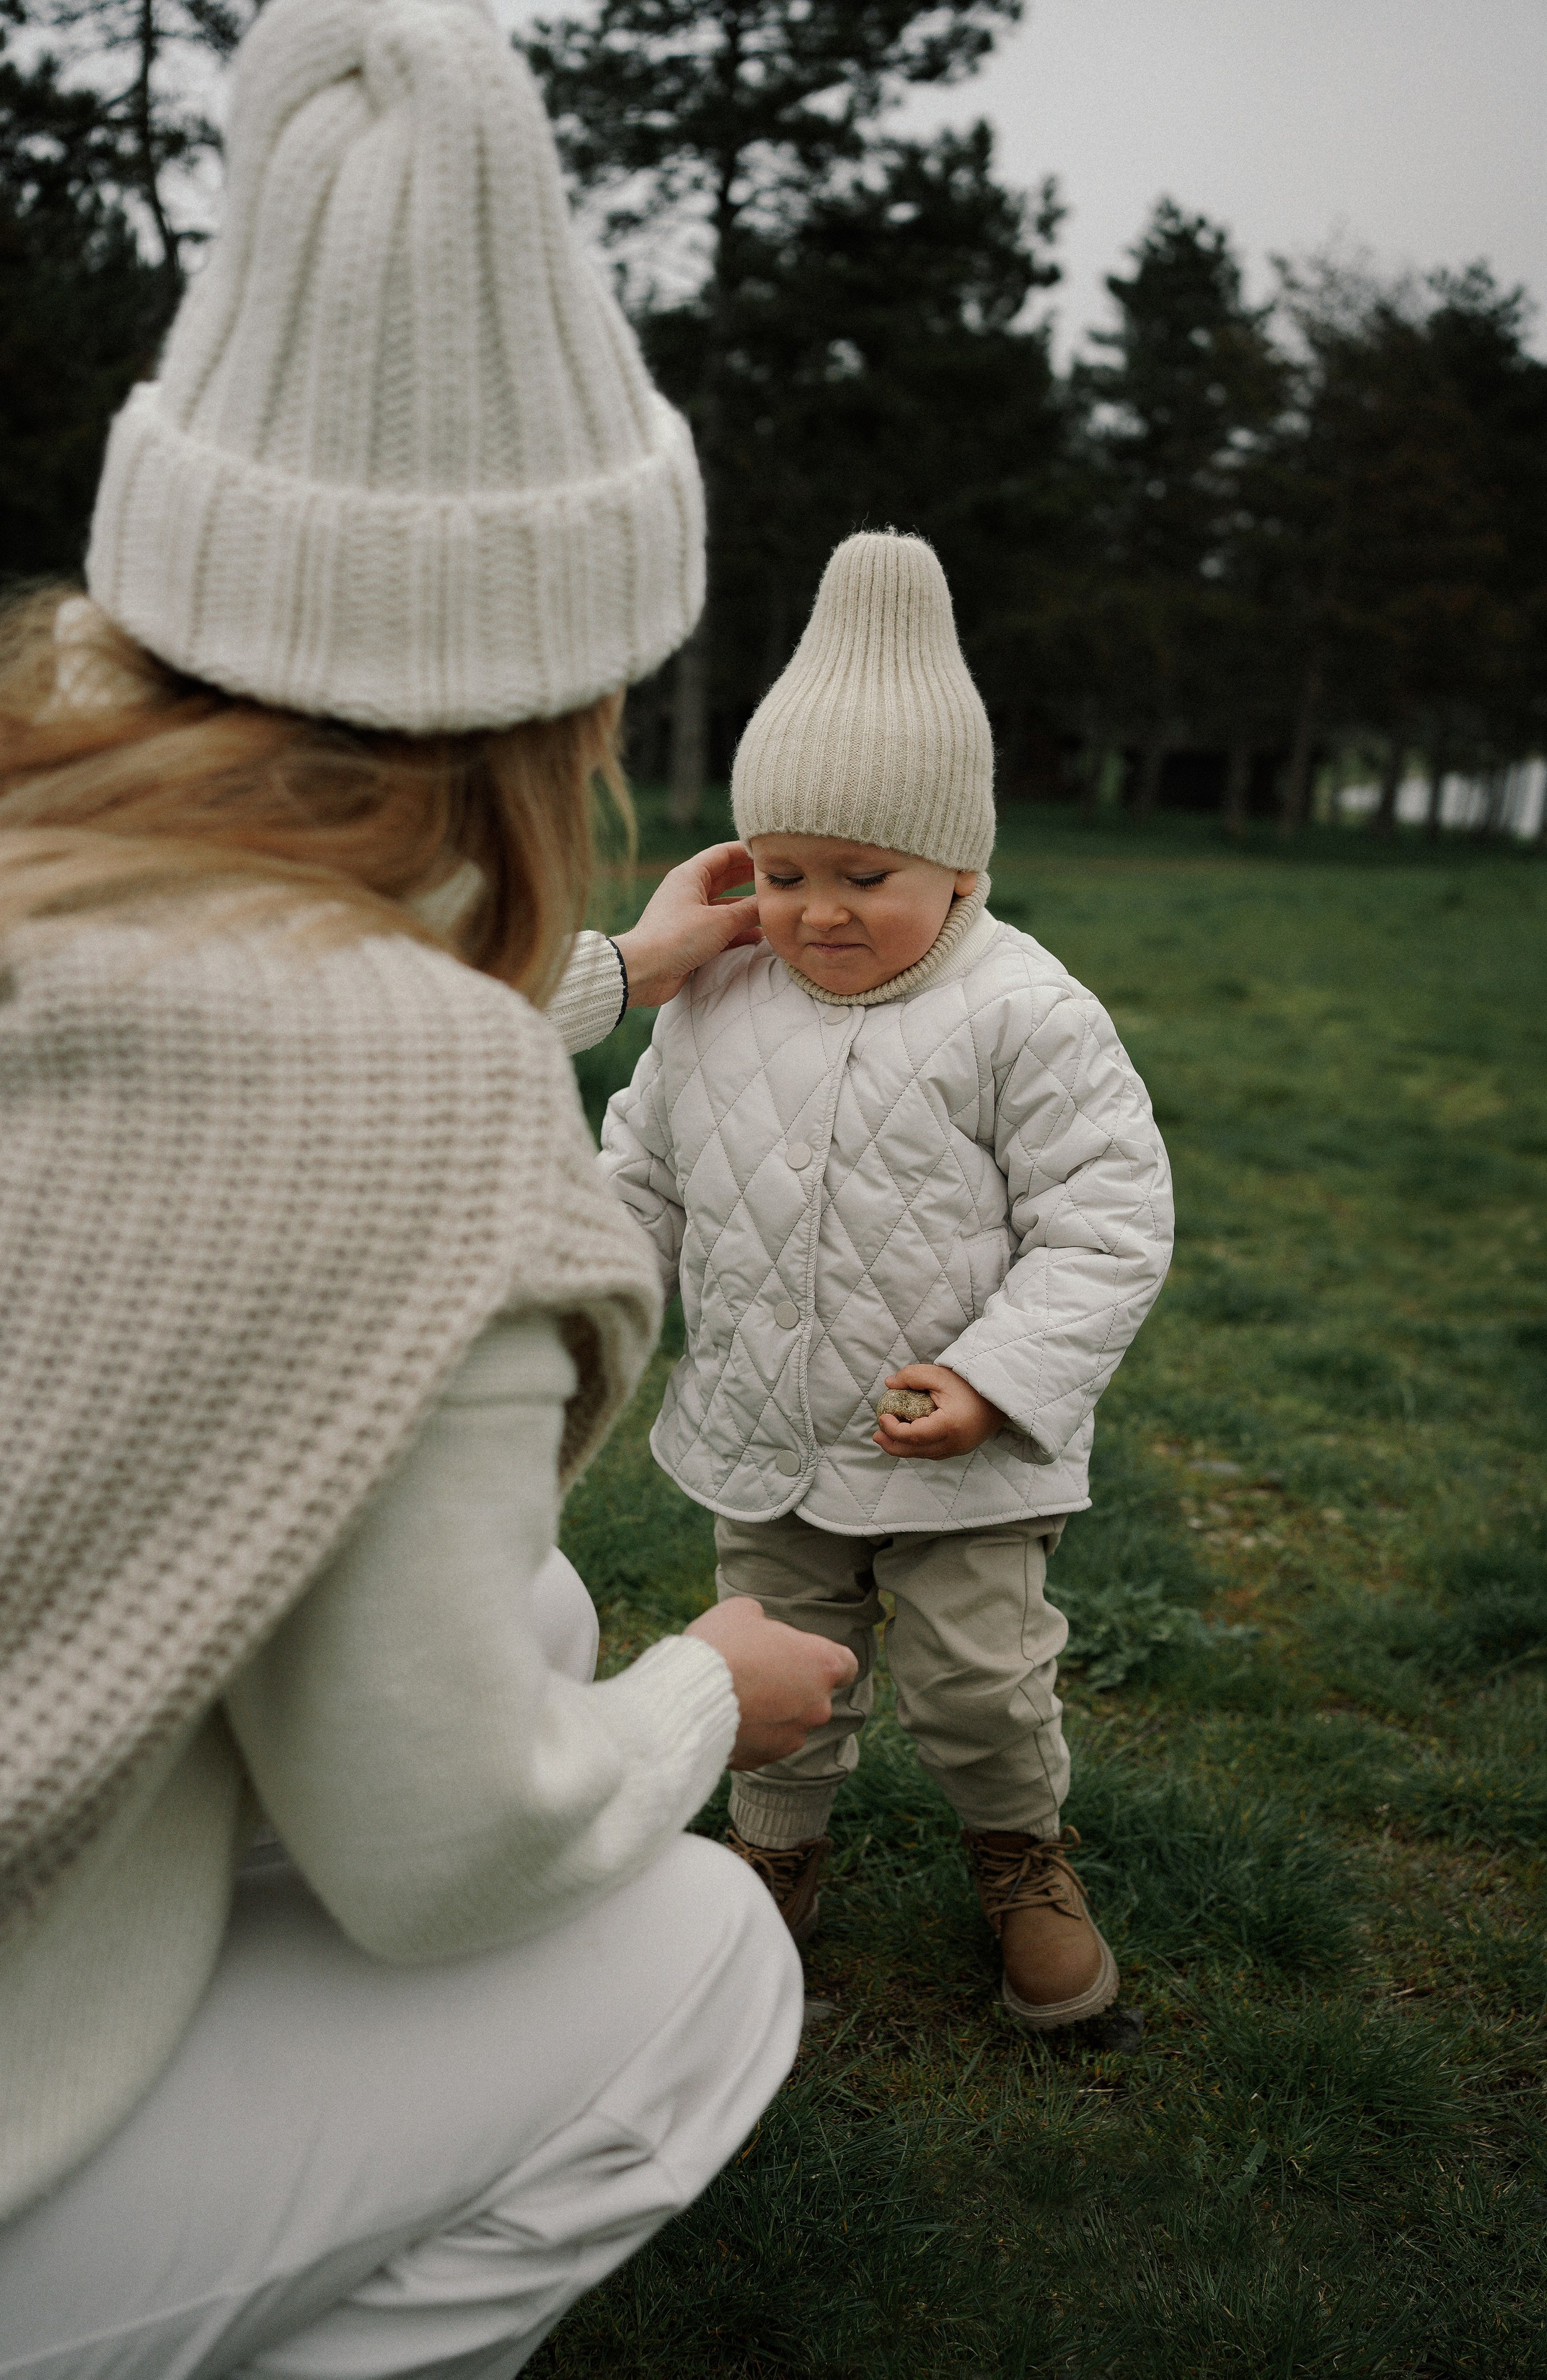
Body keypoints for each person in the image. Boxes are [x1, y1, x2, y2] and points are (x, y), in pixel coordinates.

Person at [0, 0, 855, 2371]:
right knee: (689, 1964)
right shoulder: (421, 1110)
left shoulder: (7, 866)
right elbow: (436, 1850)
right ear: (566, 684)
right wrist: (702, 1699)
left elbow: (198, 1052)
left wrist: (598, 979)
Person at [599, 531, 1175, 2032]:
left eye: (866, 875)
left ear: (961, 868)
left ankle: (1019, 1860)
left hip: (957, 1449)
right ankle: (771, 1870)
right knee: (776, 1678)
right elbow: (643, 1176)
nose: (817, 911)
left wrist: (993, 1380)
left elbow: (1107, 1219)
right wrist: (585, 1314)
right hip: (765, 1428)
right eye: (781, 872)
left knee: (983, 1685)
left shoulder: (1023, 1013)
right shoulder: (712, 994)